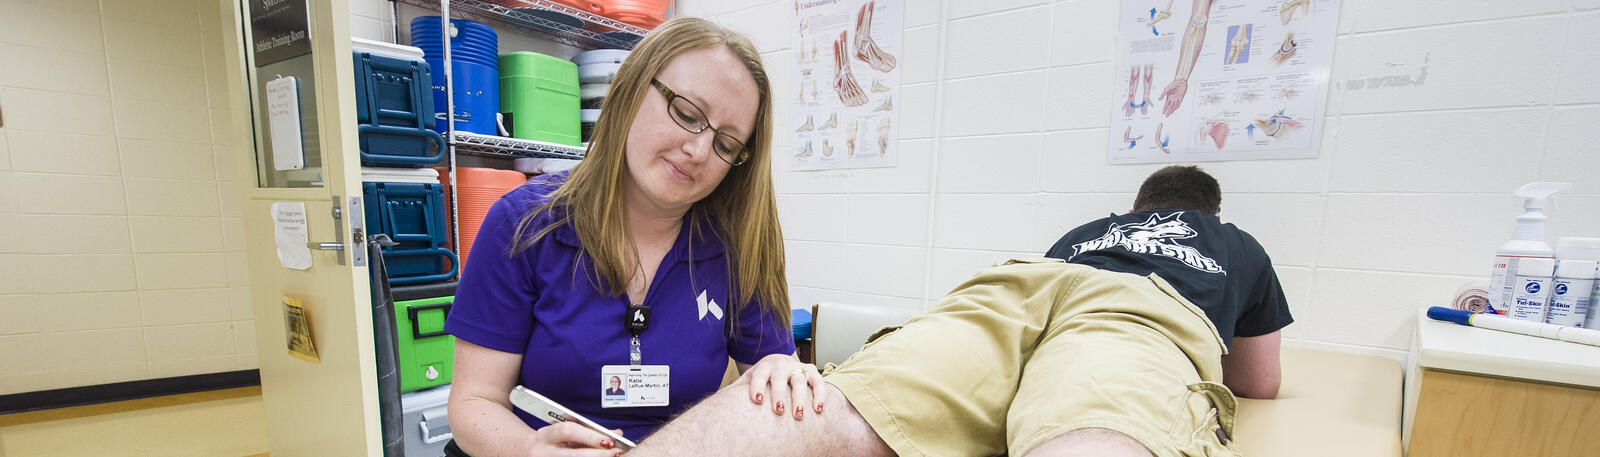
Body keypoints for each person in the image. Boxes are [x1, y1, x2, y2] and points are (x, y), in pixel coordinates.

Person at [621, 165, 1292, 457]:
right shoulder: (1233, 242)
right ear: (1211, 212)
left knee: (856, 401)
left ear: (1134, 204)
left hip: (1024, 282)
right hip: (1135, 309)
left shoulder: (1088, 230)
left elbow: (1024, 351)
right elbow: (1258, 379)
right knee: (1098, 416)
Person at [443, 18, 824, 457]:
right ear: (631, 90)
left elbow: (775, 382)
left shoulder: (737, 246)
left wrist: (782, 370)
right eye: (686, 114)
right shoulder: (523, 224)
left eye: (726, 145)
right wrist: (528, 449)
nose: (698, 151)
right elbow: (474, 403)